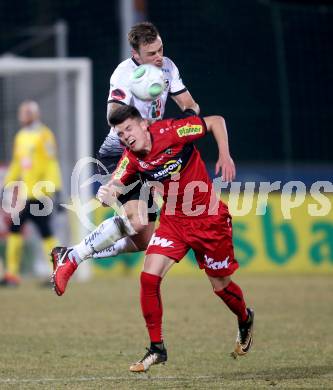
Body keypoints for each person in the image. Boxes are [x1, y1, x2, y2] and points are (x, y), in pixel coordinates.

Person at [52, 105, 254, 371]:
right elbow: (115, 180)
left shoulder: (175, 130)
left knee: (221, 287)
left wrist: (225, 155)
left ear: (144, 124)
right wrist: (107, 192)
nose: (126, 137)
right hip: (174, 223)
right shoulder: (131, 158)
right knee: (148, 278)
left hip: (209, 221)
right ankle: (157, 348)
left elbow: (216, 120)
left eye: (129, 129)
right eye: (121, 134)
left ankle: (244, 318)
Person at [94, 21, 199, 262]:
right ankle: (74, 255)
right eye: (151, 53)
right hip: (120, 152)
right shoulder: (124, 74)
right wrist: (140, 106)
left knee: (143, 239)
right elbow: (112, 116)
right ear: (135, 54)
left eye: (161, 49)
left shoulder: (168, 68)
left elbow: (191, 105)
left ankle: (75, 252)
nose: (159, 57)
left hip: (149, 153)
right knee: (139, 221)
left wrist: (184, 122)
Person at [0, 100, 62, 287]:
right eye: (21, 112)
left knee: (41, 232)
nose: (22, 116)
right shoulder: (20, 137)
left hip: (41, 193)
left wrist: (55, 190)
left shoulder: (44, 135)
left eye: (25, 113)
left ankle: (56, 274)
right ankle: (13, 275)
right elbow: (18, 164)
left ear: (34, 115)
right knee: (23, 231)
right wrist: (6, 184)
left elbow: (51, 163)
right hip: (26, 195)